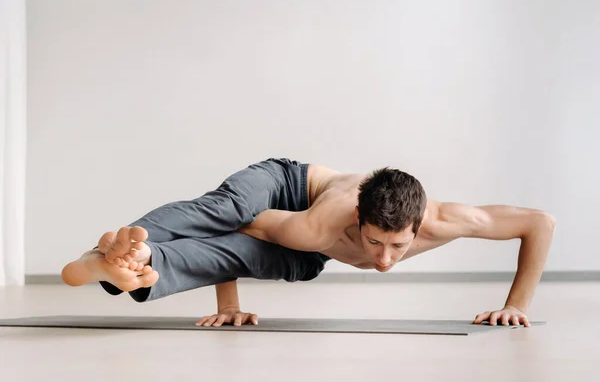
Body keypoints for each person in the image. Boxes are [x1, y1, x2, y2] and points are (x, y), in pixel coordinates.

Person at [62, 158, 556, 328]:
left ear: (418, 228)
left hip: (310, 249)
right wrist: (229, 303)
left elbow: (540, 223)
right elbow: (233, 235)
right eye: (374, 244)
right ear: (357, 222)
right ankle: (115, 253)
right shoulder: (317, 225)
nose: (384, 262)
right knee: (227, 212)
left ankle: (135, 261)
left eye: (397, 248)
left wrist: (515, 305)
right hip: (282, 186)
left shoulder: (450, 220)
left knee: (301, 266)